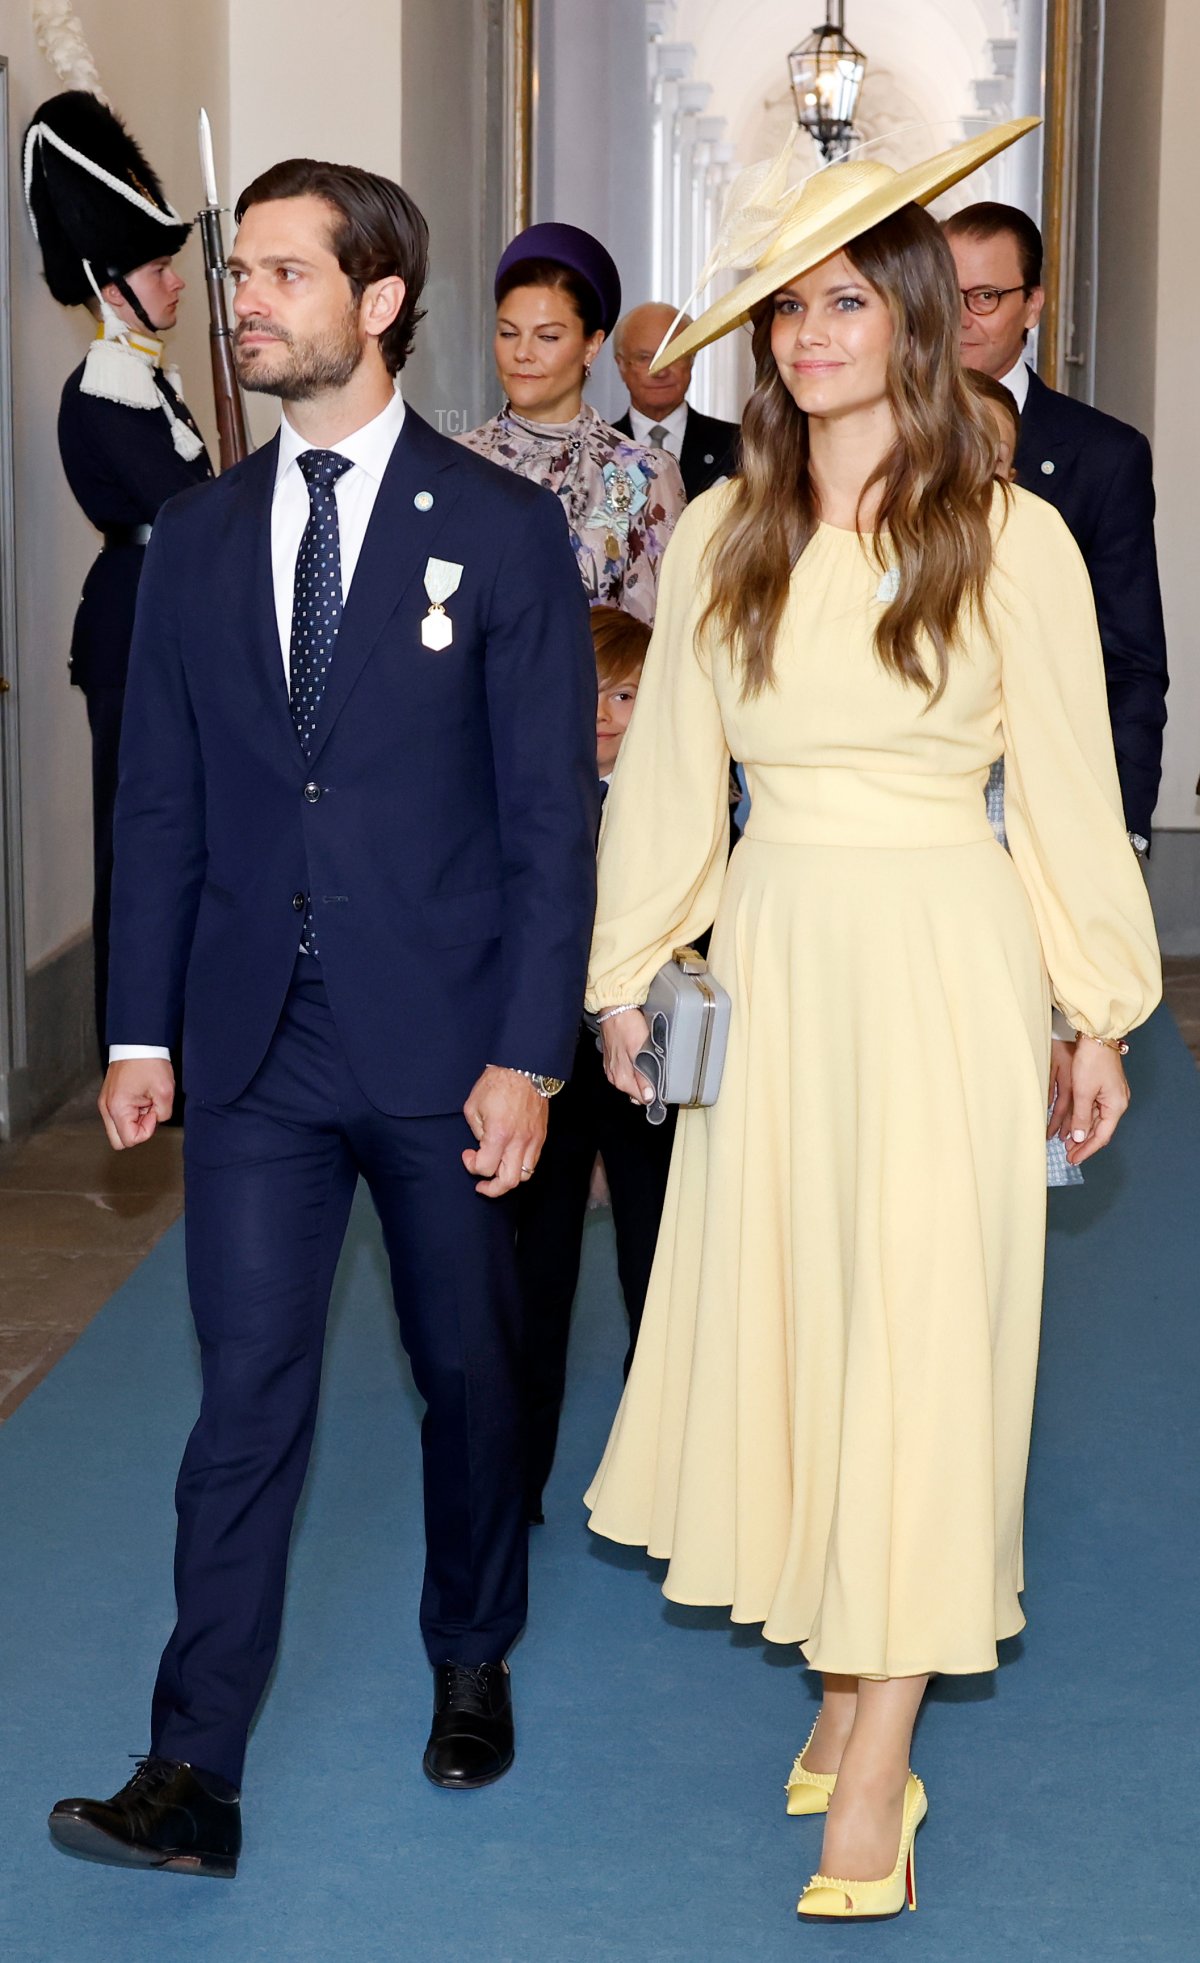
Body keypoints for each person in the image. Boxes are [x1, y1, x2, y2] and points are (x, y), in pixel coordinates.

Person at [583, 118, 1160, 1922]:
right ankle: (845, 1678)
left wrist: (1098, 1007)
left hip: (939, 967)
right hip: (772, 964)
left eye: (848, 300)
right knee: (807, 1322)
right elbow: (671, 773)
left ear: (916, 319)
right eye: (787, 307)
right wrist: (626, 966)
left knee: (921, 1339)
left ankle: (881, 1760)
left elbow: (1066, 791)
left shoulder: (1015, 538)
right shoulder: (722, 539)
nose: (813, 333)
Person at [47, 158, 598, 1877]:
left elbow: (545, 819)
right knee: (246, 1398)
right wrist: (140, 1029)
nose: (248, 300)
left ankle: (469, 1648)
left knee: (467, 1372)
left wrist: (529, 1054)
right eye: (243, 274)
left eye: (286, 272)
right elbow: (160, 802)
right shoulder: (203, 542)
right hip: (260, 1050)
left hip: (445, 1042)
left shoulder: (499, 528)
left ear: (377, 303)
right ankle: (190, 1760)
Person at [23, 90, 213, 1064]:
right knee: (134, 839)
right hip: (135, 625)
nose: (175, 283)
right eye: (155, 267)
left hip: (167, 616)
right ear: (111, 285)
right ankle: (135, 1045)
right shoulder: (102, 388)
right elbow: (185, 511)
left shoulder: (148, 379)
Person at [517, 605, 678, 1523]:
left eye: (626, 691)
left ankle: (656, 1479)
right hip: (544, 1063)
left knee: (661, 1272)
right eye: (589, 690)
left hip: (654, 1067)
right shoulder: (527, 794)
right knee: (534, 1279)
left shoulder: (685, 809)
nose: (606, 713)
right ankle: (516, 1479)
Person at [944, 201, 1168, 855]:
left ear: (1033, 304)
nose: (961, 317)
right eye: (945, 293)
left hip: (1045, 806)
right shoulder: (877, 439)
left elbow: (1129, 657)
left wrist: (1123, 822)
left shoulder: (1102, 453)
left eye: (985, 296)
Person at [965, 370, 1083, 1187]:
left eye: (1001, 461)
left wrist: (1072, 1023)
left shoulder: (1028, 557)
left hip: (1001, 918)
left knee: (990, 1167)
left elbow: (1056, 834)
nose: (986, 478)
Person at [459, 224, 685, 624]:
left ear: (592, 345)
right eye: (508, 333)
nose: (522, 353)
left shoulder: (635, 474)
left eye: (547, 337)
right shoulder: (455, 465)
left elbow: (665, 632)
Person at [611, 301, 740, 498]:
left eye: (673, 356)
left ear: (692, 360)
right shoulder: (596, 449)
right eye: (645, 358)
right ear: (621, 366)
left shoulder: (740, 446)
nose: (660, 371)